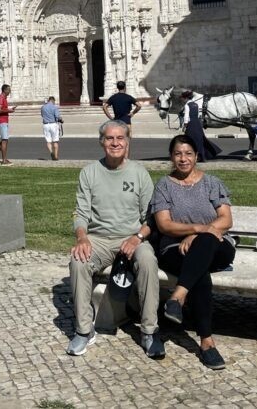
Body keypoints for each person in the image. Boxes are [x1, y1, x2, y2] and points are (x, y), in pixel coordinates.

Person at [67, 120, 163, 360]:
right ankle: (84, 329)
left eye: (120, 138)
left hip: (132, 237)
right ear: (102, 142)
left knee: (148, 261)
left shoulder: (139, 173)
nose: (115, 143)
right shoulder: (89, 172)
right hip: (98, 238)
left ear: (127, 142)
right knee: (78, 261)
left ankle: (150, 331)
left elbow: (150, 218)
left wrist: (137, 237)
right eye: (110, 138)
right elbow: (81, 213)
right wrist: (82, 238)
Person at [149, 134, 235, 370]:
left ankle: (177, 297)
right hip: (175, 250)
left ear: (197, 156)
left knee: (204, 246)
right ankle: (207, 343)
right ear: (171, 157)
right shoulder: (164, 185)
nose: (183, 159)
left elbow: (226, 219)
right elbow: (164, 225)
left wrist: (198, 235)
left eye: (188, 153)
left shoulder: (211, 183)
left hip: (217, 246)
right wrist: (197, 228)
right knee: (200, 274)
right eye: (178, 154)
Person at [41, 96, 62, 161]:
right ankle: (55, 156)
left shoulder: (43, 107)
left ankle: (51, 152)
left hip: (46, 125)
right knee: (55, 141)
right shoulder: (54, 107)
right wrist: (61, 120)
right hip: (53, 124)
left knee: (48, 141)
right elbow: (57, 116)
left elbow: (42, 115)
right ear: (53, 101)